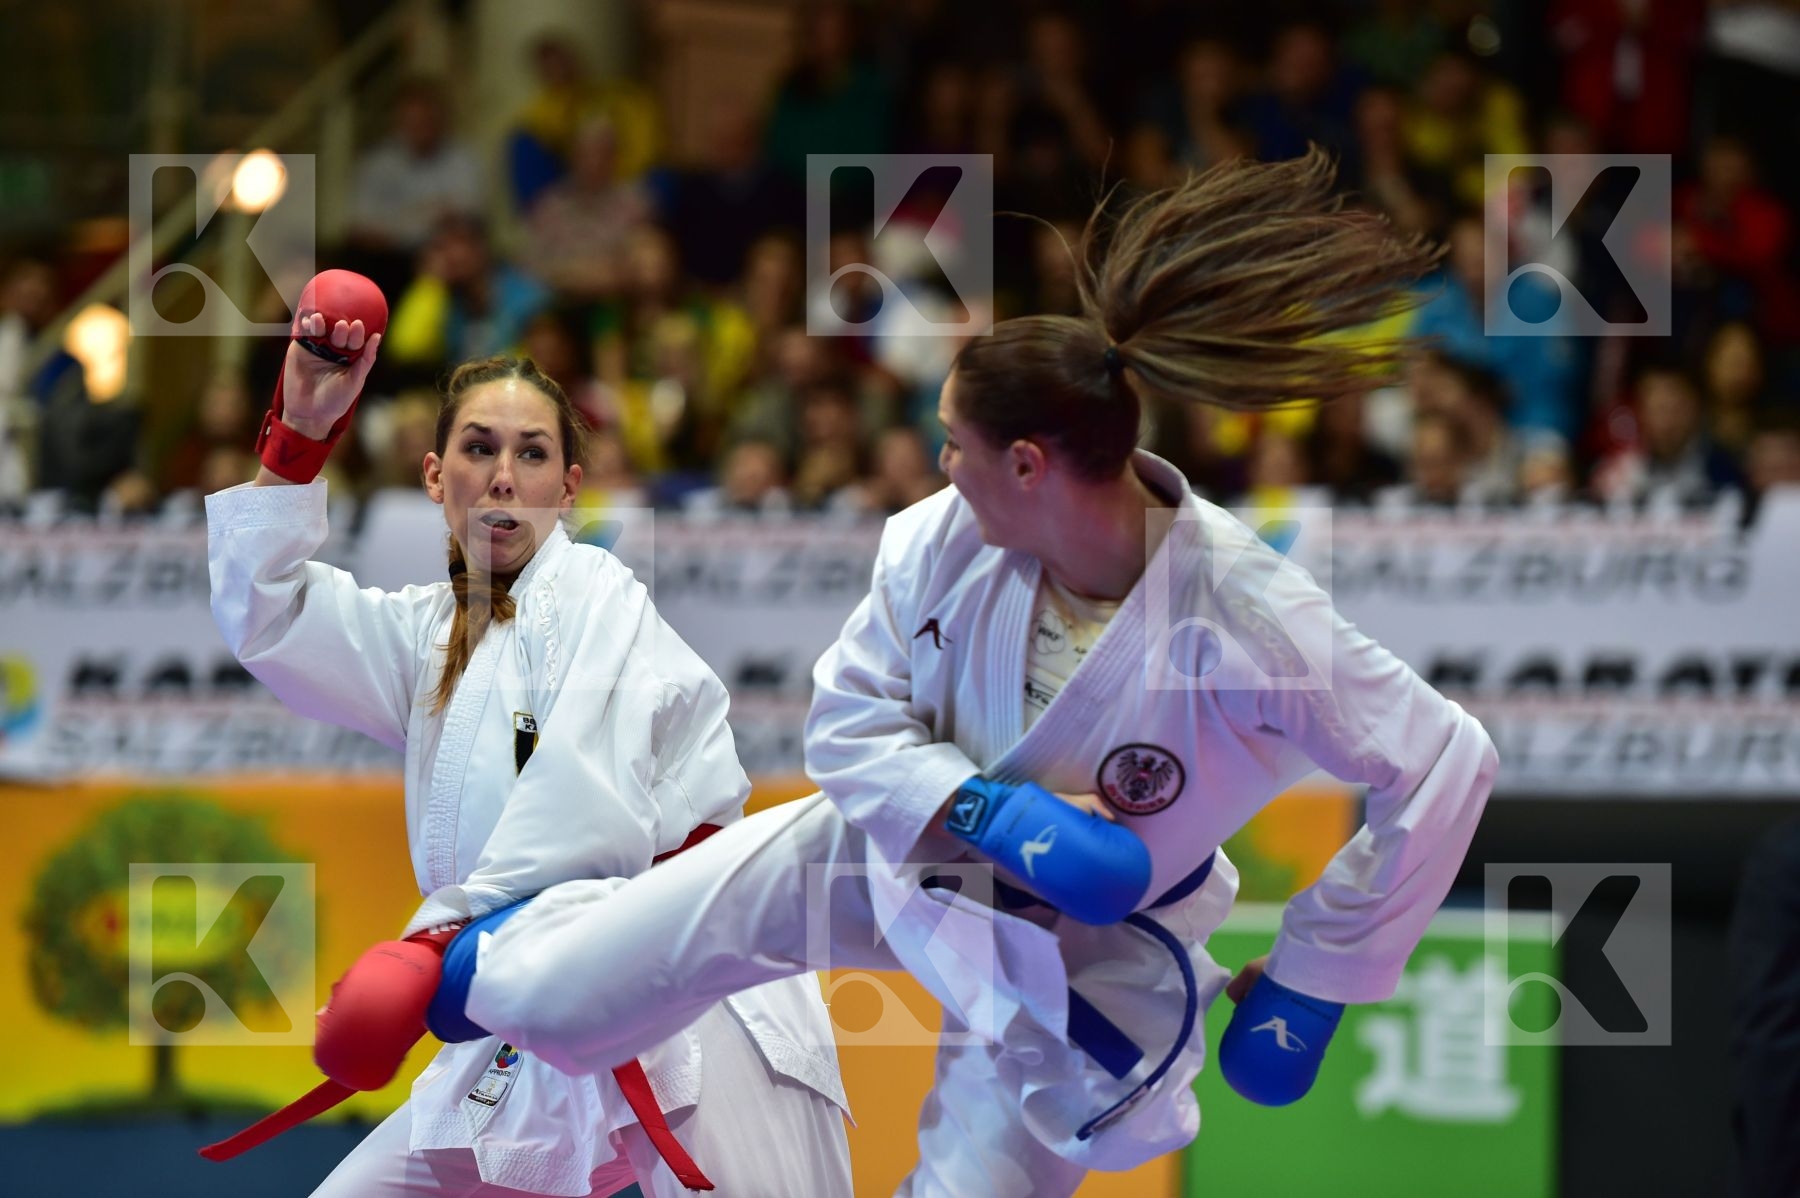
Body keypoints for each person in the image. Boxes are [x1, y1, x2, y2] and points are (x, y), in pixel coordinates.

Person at [446, 149, 1499, 1195]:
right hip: (902, 852)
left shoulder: (1247, 617)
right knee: (619, 956)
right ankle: (467, 961)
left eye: (956, 443)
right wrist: (990, 809)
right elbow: (849, 723)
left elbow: (1446, 759)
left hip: (1085, 943)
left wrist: (1318, 978)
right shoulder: (937, 539)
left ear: (1028, 464)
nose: (940, 464)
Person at [205, 316, 851, 1195]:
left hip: (695, 980)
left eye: (533, 454)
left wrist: (435, 949)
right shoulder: (424, 634)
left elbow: (589, 806)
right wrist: (301, 436)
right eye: (478, 448)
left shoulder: (594, 591)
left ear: (568, 489)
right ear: (435, 477)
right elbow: (271, 616)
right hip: (536, 992)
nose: (504, 475)